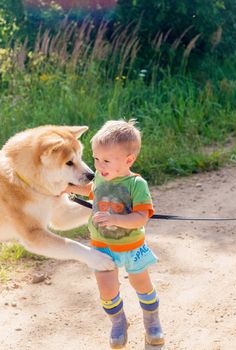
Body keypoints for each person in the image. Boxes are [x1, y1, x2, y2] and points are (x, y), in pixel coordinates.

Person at [67, 119, 164, 348]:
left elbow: (141, 217)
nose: (99, 165)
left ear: (128, 160)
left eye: (106, 160)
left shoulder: (136, 185)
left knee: (142, 285)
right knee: (107, 289)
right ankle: (118, 322)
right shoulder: (101, 176)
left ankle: (152, 321)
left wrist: (115, 219)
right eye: (96, 158)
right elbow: (93, 191)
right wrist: (68, 188)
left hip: (131, 248)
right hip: (101, 245)